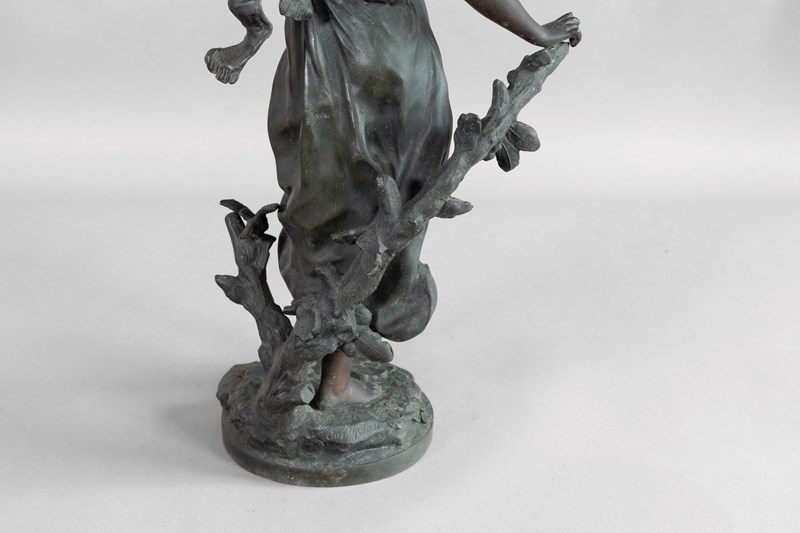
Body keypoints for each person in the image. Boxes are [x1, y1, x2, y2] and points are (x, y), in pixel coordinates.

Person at [207, 0, 581, 407]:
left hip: (320, 67)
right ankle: (333, 382)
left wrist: (252, 33)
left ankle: (321, 365)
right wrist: (536, 31)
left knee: (337, 210)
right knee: (378, 211)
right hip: (385, 64)